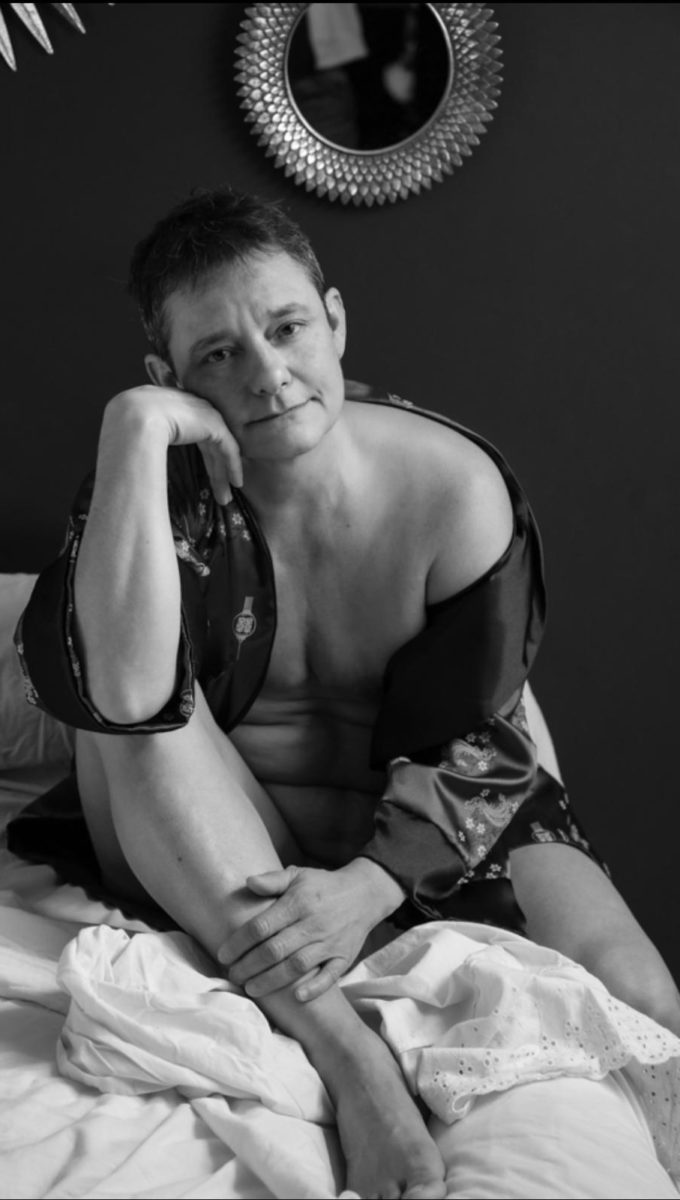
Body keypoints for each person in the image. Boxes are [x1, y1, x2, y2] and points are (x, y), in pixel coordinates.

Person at [11, 189, 680, 1199]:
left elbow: (488, 734)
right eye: (217, 354)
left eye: (285, 328)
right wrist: (132, 433)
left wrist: (370, 885)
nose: (267, 372)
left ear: (333, 319)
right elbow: (118, 695)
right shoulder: (148, 489)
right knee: (135, 704)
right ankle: (348, 1057)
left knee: (642, 996)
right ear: (169, 377)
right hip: (215, 837)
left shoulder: (453, 485)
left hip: (430, 818)